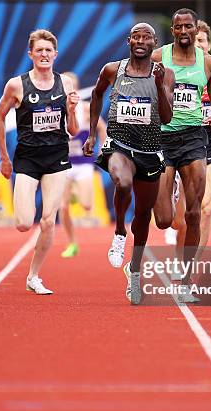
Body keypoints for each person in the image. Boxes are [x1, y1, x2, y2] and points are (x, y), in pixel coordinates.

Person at [83, 23, 174, 305]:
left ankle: (134, 270)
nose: (141, 41)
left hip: (148, 150)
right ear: (129, 40)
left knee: (145, 215)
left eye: (147, 37)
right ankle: (120, 231)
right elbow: (96, 94)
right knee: (121, 182)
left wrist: (159, 86)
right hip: (119, 145)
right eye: (137, 36)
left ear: (154, 43)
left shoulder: (164, 74)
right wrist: (90, 134)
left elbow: (167, 117)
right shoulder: (113, 70)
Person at [0, 29, 80, 295]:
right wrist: (4, 158)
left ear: (55, 54)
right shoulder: (17, 85)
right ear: (30, 54)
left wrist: (72, 111)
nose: (44, 54)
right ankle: (32, 268)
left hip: (57, 156)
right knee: (23, 222)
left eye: (48, 50)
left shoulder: (65, 83)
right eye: (39, 50)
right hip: (28, 158)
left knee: (47, 221)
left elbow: (74, 130)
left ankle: (33, 275)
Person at [151, 8, 211, 301]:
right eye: (178, 27)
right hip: (164, 138)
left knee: (195, 213)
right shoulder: (158, 57)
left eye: (188, 27)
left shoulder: (208, 64)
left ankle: (185, 280)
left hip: (195, 138)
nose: (183, 31)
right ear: (172, 29)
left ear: (195, 30)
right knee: (165, 220)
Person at [166, 20, 211, 275]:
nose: (198, 44)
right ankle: (180, 256)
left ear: (209, 44)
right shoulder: (176, 67)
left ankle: (189, 268)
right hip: (181, 139)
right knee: (178, 220)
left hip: (210, 143)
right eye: (196, 40)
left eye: (203, 41)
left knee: (206, 207)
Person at [59, 72, 108, 258]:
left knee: (87, 206)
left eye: (69, 87)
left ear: (75, 88)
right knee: (62, 207)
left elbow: (102, 127)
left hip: (83, 164)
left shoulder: (86, 109)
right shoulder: (55, 110)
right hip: (63, 164)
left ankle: (75, 193)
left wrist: (103, 148)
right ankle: (72, 243)